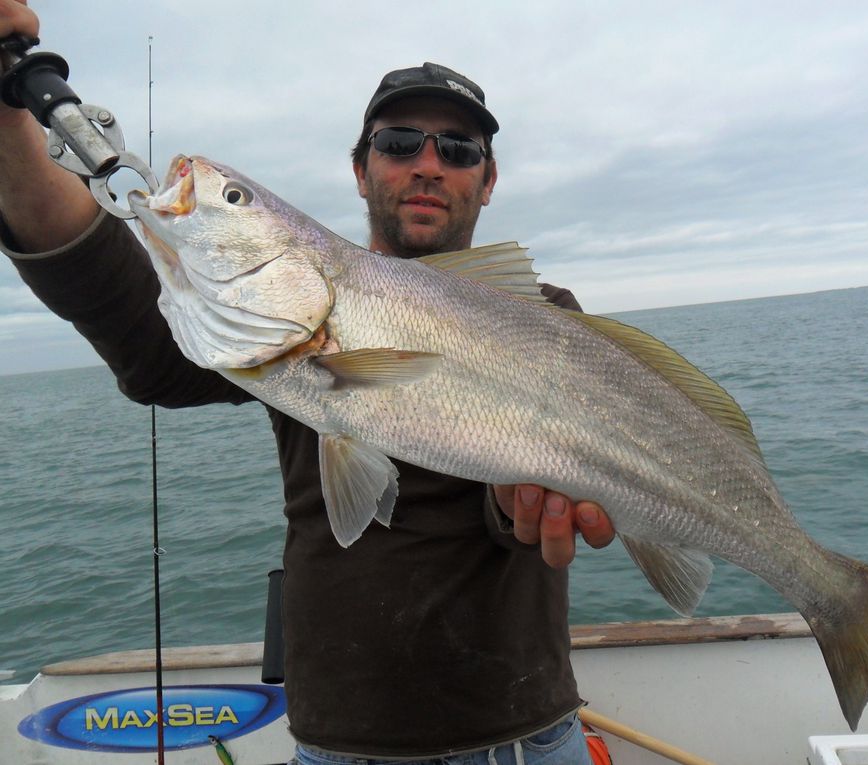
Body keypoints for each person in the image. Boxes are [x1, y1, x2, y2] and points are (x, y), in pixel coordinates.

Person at [0, 3, 616, 763]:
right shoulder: (279, 324)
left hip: (524, 737)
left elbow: (514, 506)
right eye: (398, 143)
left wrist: (516, 494)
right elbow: (139, 332)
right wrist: (9, 126)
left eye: (458, 149)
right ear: (361, 169)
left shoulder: (547, 320)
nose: (428, 163)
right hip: (336, 743)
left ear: (487, 182)